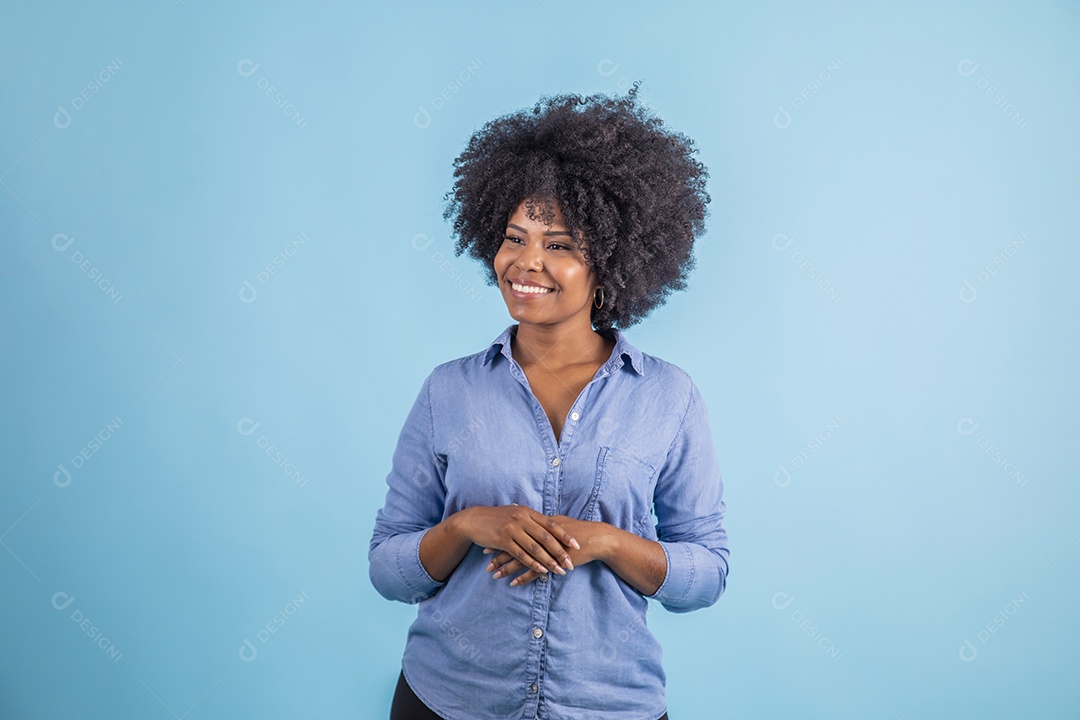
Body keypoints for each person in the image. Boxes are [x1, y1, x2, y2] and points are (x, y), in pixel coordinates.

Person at [369, 81, 729, 720]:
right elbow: (389, 570)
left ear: (612, 259)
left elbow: (705, 576)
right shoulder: (448, 390)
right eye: (514, 238)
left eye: (559, 245)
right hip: (448, 702)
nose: (525, 263)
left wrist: (609, 542)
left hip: (608, 705)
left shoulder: (669, 398)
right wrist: (466, 526)